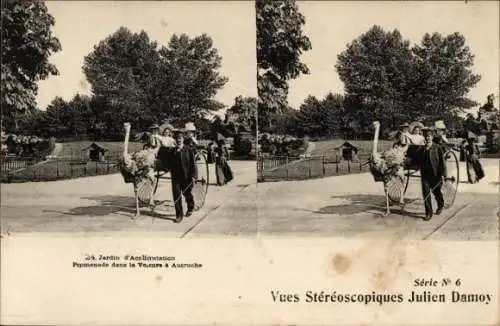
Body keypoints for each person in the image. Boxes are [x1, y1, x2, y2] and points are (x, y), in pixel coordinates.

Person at [165, 130, 198, 223]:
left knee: (187, 193)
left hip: (186, 176)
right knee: (176, 195)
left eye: (180, 138)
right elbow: (169, 163)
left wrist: (193, 176)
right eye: (177, 139)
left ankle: (190, 207)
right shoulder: (172, 151)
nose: (178, 140)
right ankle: (179, 215)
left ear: (183, 139)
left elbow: (193, 164)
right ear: (175, 140)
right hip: (175, 177)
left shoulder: (188, 150)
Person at [419, 128, 448, 221]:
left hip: (435, 174)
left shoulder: (437, 148)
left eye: (429, 136)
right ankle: (428, 213)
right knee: (426, 193)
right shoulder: (422, 148)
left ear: (432, 137)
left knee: (436, 191)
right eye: (426, 136)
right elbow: (416, 160)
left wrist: (443, 174)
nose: (427, 138)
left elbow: (442, 162)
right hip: (425, 175)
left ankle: (440, 205)